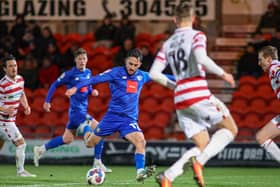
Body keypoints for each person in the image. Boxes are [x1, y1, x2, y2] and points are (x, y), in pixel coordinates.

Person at [149, 5, 238, 187]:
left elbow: (153, 74)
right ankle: (200, 162)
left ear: (174, 20)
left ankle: (168, 176)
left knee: (203, 143)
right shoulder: (197, 35)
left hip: (180, 98)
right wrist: (224, 74)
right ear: (194, 19)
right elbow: (201, 58)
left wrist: (176, 86)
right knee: (230, 129)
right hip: (198, 93)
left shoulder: (168, 44)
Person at [66, 49, 174, 182]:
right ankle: (87, 128)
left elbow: (163, 77)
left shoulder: (142, 76)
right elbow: (93, 79)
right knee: (90, 144)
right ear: (125, 61)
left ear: (139, 65)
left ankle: (140, 172)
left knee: (141, 141)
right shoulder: (115, 73)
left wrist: (181, 81)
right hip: (111, 118)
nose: (132, 67)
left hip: (128, 120)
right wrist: (76, 88)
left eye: (135, 65)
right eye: (130, 64)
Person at [33, 48, 111, 173]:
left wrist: (92, 91)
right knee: (100, 129)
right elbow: (54, 84)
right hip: (77, 112)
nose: (82, 61)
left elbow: (87, 87)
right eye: (79, 59)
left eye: (84, 59)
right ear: (75, 60)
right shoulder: (69, 74)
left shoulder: (88, 72)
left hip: (78, 114)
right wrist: (47, 101)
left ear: (87, 60)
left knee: (67, 139)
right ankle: (97, 162)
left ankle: (40, 149)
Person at [0, 55, 36, 177]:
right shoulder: (2, 84)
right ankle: (21, 171)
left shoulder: (20, 80)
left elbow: (21, 93)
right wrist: (4, 109)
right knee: (21, 144)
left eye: (15, 65)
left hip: (10, 120)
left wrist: (26, 106)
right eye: (10, 66)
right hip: (3, 121)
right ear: (5, 69)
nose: (14, 68)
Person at [256, 45, 280, 163]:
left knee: (262, 137)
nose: (259, 63)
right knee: (261, 137)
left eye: (261, 59)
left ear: (269, 59)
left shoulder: (274, 68)